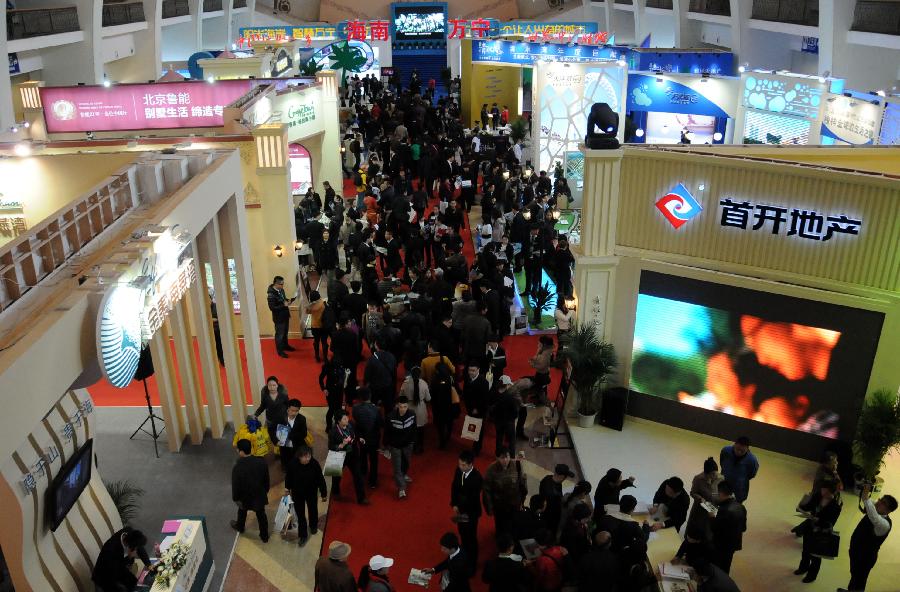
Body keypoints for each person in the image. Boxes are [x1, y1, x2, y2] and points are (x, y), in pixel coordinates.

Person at [838, 487, 896, 592]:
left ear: (888, 510)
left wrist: (865, 497)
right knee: (855, 575)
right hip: (856, 552)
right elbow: (870, 503)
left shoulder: (884, 524)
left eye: (883, 503)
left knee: (860, 580)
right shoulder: (876, 510)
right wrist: (865, 490)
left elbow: (872, 513)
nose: (878, 502)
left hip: (865, 558)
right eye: (880, 500)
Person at [793, 481, 841, 583]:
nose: (822, 491)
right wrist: (802, 504)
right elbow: (808, 506)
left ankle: (812, 575)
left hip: (821, 533)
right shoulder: (818, 496)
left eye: (825, 490)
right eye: (822, 489)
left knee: (816, 556)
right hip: (810, 528)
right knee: (805, 551)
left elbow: (831, 523)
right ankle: (803, 568)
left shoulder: (835, 506)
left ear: (830, 492)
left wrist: (818, 520)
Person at [285, 445, 327, 547]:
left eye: (309, 456)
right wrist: (287, 488)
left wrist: (323, 493)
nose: (308, 458)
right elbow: (289, 477)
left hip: (311, 492)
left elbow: (320, 479)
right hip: (297, 494)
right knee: (300, 514)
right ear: (299, 456)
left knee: (313, 509)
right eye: (305, 457)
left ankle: (313, 525)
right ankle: (303, 535)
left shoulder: (314, 463)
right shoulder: (292, 464)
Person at [230, 439, 270, 542]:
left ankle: (240, 527)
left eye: (238, 449)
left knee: (242, 512)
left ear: (241, 451)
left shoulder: (238, 467)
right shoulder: (261, 462)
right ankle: (264, 536)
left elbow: (236, 485)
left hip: (245, 498)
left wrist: (236, 498)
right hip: (259, 496)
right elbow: (266, 480)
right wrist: (265, 491)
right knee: (261, 515)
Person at [451, 450, 483, 574]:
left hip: (470, 513)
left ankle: (472, 564)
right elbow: (454, 487)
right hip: (460, 511)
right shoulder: (458, 471)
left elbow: (472, 498)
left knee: (471, 538)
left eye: (463, 465)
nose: (460, 467)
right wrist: (454, 503)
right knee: (462, 533)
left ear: (470, 464)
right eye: (460, 464)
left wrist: (459, 507)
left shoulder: (477, 478)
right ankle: (464, 555)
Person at [483, 447, 527, 537]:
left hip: (514, 503)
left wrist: (522, 501)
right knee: (500, 525)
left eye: (507, 456)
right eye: (502, 457)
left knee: (513, 523)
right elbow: (486, 490)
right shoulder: (491, 470)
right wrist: (489, 508)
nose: (505, 460)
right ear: (497, 458)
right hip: (500, 505)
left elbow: (522, 484)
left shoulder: (517, 465)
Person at [328, 410, 369, 505]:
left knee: (358, 475)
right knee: (336, 477)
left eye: (347, 417)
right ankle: (336, 492)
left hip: (352, 455)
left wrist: (359, 439)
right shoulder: (333, 431)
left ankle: (361, 498)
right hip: (338, 456)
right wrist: (341, 445)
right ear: (338, 421)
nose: (348, 420)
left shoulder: (351, 424)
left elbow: (355, 434)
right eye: (345, 418)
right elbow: (330, 446)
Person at [92, 527, 151, 592]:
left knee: (134, 583)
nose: (137, 550)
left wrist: (148, 564)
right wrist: (129, 557)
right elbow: (117, 570)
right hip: (105, 577)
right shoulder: (111, 550)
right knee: (123, 589)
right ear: (129, 547)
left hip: (118, 567)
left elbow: (139, 546)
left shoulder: (129, 533)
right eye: (135, 549)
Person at [709, 481, 746, 574]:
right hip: (733, 544)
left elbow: (714, 529)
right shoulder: (741, 507)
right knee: (726, 565)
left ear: (721, 493)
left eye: (717, 493)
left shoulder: (723, 510)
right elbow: (744, 528)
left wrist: (712, 517)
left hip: (721, 545)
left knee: (716, 567)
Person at [385, 395, 417, 499]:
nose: (403, 409)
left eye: (405, 406)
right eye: (400, 406)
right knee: (397, 467)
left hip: (408, 445)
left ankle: (403, 475)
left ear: (408, 406)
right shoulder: (390, 417)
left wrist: (412, 441)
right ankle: (402, 488)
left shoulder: (412, 414)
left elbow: (414, 428)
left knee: (406, 463)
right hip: (395, 446)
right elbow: (387, 432)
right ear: (397, 406)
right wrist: (387, 446)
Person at [352, 387, 383, 489]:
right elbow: (380, 424)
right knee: (374, 460)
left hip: (362, 438)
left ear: (360, 397)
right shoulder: (376, 409)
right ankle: (372, 481)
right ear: (370, 396)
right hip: (374, 438)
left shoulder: (355, 408)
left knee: (363, 455)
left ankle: (363, 472)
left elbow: (356, 421)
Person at [687, 457, 721, 542]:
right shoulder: (698, 479)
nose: (714, 476)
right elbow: (692, 492)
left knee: (709, 530)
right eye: (712, 474)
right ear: (706, 474)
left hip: (713, 508)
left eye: (715, 473)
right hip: (700, 508)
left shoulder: (721, 479)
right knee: (695, 529)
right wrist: (700, 498)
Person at [400, 366, 431, 453]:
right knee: (421, 430)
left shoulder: (405, 383)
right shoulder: (424, 383)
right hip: (420, 408)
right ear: (420, 374)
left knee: (410, 429)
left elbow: (401, 396)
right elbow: (428, 398)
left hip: (409, 408)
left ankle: (412, 446)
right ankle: (420, 446)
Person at [719, 436, 758, 503]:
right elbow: (722, 463)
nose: (739, 452)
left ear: (747, 449)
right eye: (737, 449)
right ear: (734, 444)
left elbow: (752, 474)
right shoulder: (725, 451)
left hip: (739, 490)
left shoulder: (752, 460)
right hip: (723, 485)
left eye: (742, 451)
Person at [463, 361, 490, 455]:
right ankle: (474, 444)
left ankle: (477, 449)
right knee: (472, 427)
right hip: (470, 409)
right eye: (470, 370)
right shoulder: (467, 379)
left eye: (473, 370)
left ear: (478, 370)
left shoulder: (484, 382)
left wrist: (477, 409)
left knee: (479, 430)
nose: (471, 372)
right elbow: (465, 393)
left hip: (480, 410)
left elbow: (484, 399)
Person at [529, 528, 568, 592]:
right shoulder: (560, 549)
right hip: (559, 581)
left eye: (537, 543)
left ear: (542, 545)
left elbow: (538, 576)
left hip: (548, 586)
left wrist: (530, 566)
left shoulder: (542, 560)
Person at [254, 376, 288, 450]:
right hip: (271, 420)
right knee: (273, 436)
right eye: (270, 385)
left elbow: (288, 405)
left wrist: (291, 415)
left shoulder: (283, 395)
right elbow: (262, 406)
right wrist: (256, 414)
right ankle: (277, 447)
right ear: (267, 386)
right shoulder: (265, 396)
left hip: (282, 419)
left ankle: (282, 450)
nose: (272, 387)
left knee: (283, 440)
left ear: (277, 385)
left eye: (274, 385)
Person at [539, 463, 575, 531]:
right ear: (561, 476)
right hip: (550, 517)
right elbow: (554, 509)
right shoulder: (552, 494)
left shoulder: (547, 478)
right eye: (565, 477)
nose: (565, 479)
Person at [491, 375, 521, 456]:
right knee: (512, 440)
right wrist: (512, 419)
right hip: (509, 422)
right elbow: (515, 412)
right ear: (507, 385)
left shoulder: (494, 394)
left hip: (498, 421)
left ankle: (498, 454)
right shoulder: (510, 397)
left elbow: (491, 407)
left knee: (499, 438)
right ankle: (512, 456)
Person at [276, 399, 309, 470]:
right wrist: (276, 440)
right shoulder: (281, 417)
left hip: (297, 444)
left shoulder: (302, 419)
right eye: (292, 410)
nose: (294, 413)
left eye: (296, 411)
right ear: (288, 408)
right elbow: (274, 429)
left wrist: (289, 436)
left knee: (297, 462)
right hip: (284, 445)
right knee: (285, 459)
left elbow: (304, 434)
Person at [267, 275, 294, 357]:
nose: (282, 286)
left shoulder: (281, 290)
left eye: (283, 284)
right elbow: (272, 308)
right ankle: (280, 351)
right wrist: (284, 305)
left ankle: (286, 346)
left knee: (285, 332)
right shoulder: (271, 295)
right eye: (281, 284)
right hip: (279, 317)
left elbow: (283, 299)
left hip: (285, 315)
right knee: (280, 334)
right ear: (276, 284)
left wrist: (288, 300)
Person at [308, 290, 329, 363]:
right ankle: (325, 358)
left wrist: (310, 304)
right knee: (324, 342)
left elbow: (307, 312)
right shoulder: (323, 303)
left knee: (316, 341)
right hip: (323, 325)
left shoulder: (311, 306)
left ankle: (317, 356)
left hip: (315, 326)